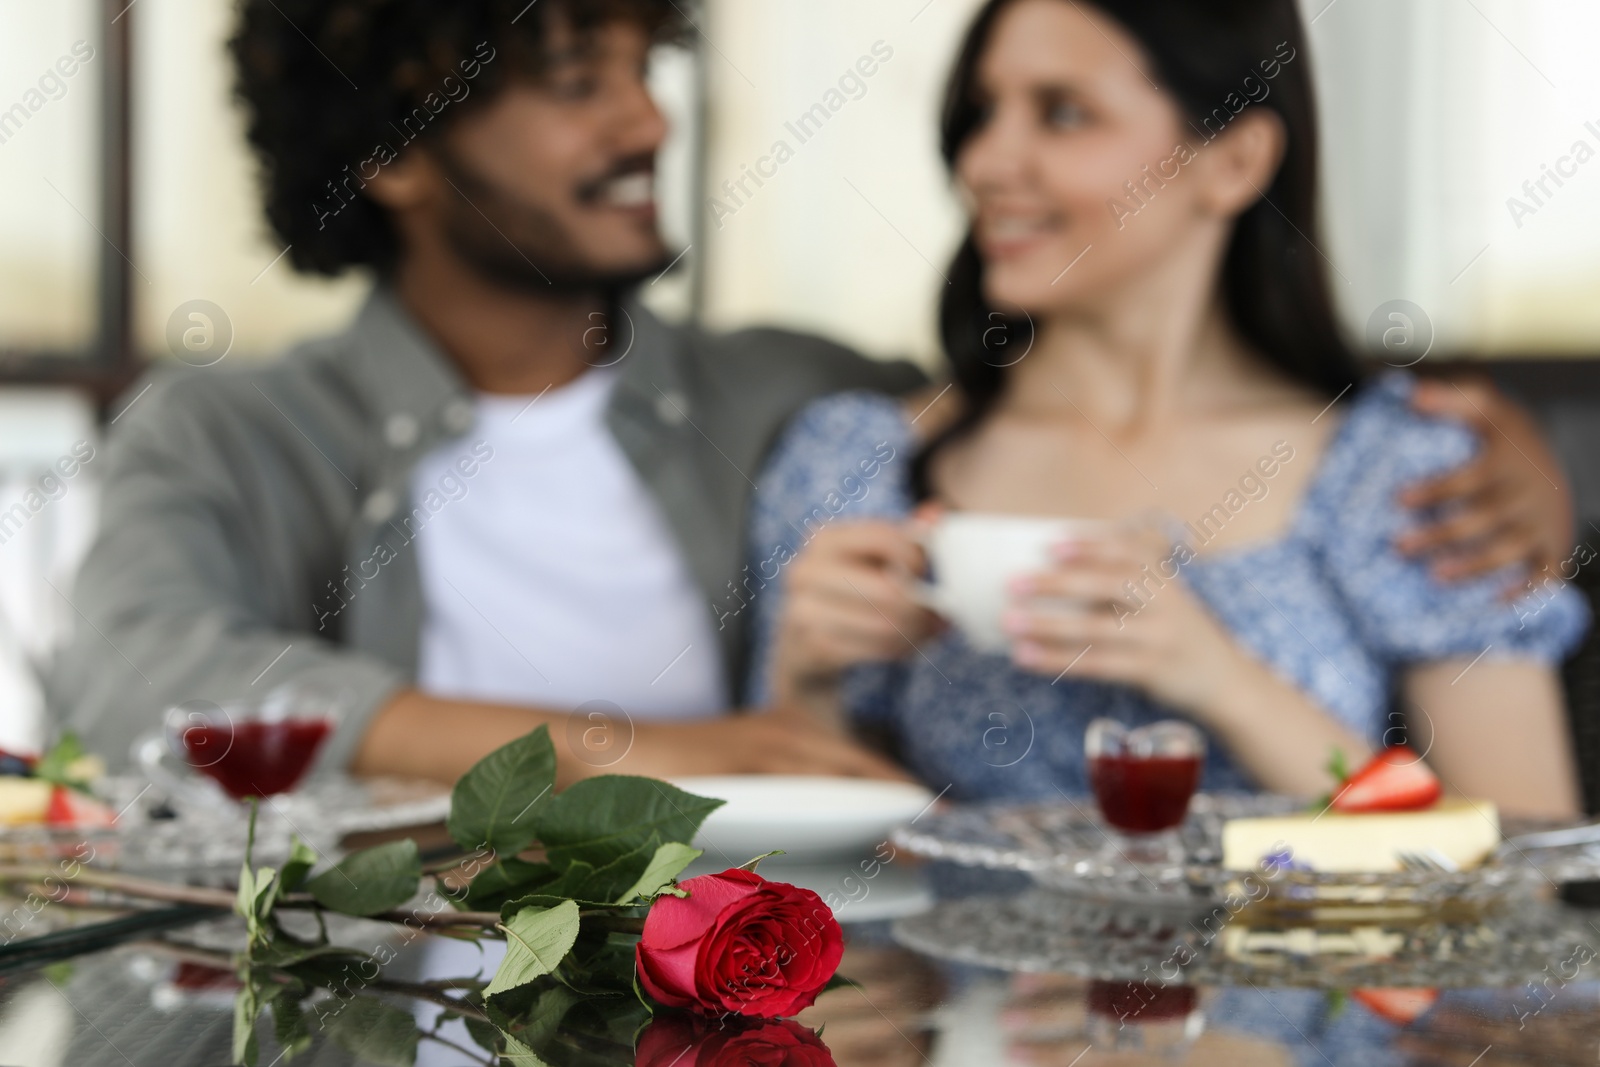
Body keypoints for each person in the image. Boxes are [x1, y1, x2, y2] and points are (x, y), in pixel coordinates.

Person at [48, 0, 1573, 791]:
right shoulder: (230, 433)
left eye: (650, 61)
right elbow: (145, 686)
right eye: (577, 79)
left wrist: (1507, 453)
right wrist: (677, 750)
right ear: (396, 147)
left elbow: (1064, 400)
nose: (650, 115)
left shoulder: (781, 398)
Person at [750, 0, 1588, 817]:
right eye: (982, 111)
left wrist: (1219, 678)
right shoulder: (856, 461)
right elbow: (790, 890)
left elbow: (1530, 882)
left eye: (1064, 113)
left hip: (1307, 966)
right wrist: (807, 690)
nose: (987, 162)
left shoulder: (1408, 473)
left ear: (1234, 161)